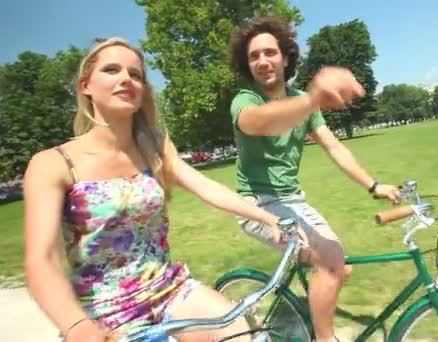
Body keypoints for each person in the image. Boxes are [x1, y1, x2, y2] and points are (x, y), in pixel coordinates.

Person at [23, 37, 284, 342]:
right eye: (111, 70)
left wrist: (265, 216)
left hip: (171, 289)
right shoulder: (52, 164)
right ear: (85, 86)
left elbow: (203, 185)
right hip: (106, 315)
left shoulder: (155, 144)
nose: (126, 79)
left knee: (245, 333)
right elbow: (41, 260)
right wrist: (76, 327)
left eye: (135, 75)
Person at [229, 17, 401, 342]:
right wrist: (311, 100)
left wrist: (374, 185)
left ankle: (293, 316)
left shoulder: (302, 103)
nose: (263, 61)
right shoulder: (245, 101)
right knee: (332, 261)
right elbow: (263, 124)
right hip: (256, 205)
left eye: (270, 52)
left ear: (285, 57)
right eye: (254, 56)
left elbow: (334, 147)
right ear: (246, 63)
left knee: (340, 268)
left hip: (294, 201)